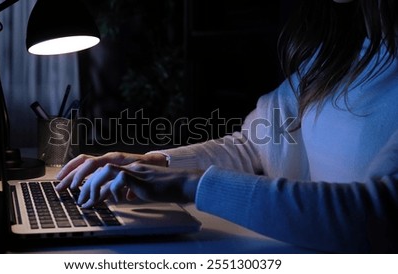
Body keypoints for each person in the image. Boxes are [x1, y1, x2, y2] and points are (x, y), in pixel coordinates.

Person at [55, 0, 398, 253]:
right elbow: (253, 145)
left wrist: (192, 186)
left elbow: (378, 215)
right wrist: (157, 163)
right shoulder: (337, 55)